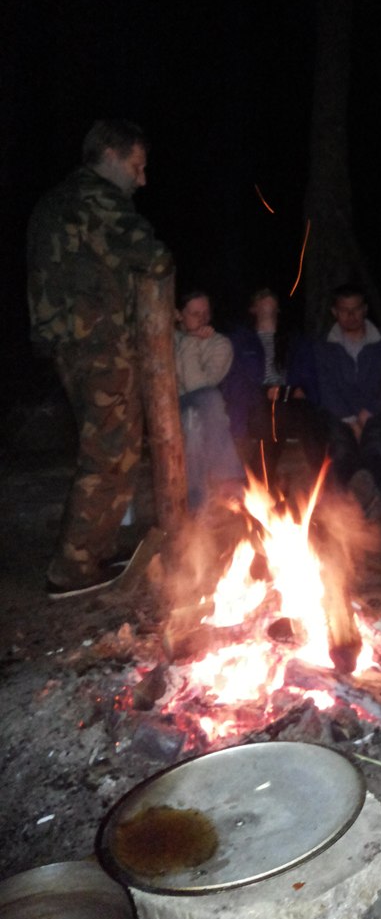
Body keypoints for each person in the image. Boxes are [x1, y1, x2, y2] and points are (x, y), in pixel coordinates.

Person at [27, 119, 174, 599]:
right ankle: (71, 569)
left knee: (122, 446)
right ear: (111, 154)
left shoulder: (60, 201)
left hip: (77, 342)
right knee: (108, 449)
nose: (142, 178)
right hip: (98, 343)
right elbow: (153, 256)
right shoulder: (95, 199)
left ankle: (96, 549)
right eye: (138, 165)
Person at [222, 288, 325, 484]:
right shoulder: (241, 341)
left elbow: (309, 376)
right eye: (260, 296)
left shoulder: (295, 341)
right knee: (273, 415)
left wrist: (304, 391)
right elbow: (235, 384)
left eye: (272, 296)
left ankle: (325, 485)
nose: (267, 298)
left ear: (278, 309)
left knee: (308, 417)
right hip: (257, 403)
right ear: (253, 308)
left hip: (290, 399)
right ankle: (258, 483)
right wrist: (260, 396)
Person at [315, 282, 381, 513]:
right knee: (341, 448)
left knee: (376, 444)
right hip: (339, 413)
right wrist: (351, 420)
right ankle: (366, 500)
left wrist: (368, 412)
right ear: (335, 312)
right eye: (344, 310)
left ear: (365, 309)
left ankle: (356, 500)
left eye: (356, 308)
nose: (351, 315)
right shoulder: (323, 347)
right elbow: (326, 387)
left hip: (377, 411)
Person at [175, 290, 245, 509]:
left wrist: (189, 342)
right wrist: (189, 341)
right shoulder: (161, 339)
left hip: (201, 412)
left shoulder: (220, 345)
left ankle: (197, 507)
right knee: (207, 402)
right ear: (178, 315)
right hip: (166, 411)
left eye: (206, 313)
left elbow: (196, 388)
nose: (202, 319)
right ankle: (229, 479)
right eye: (195, 313)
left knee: (193, 420)